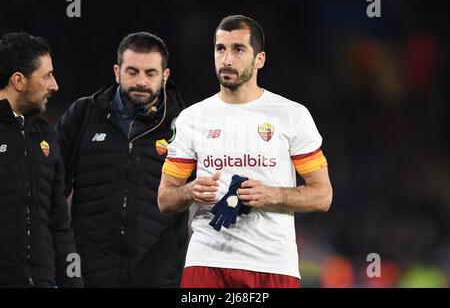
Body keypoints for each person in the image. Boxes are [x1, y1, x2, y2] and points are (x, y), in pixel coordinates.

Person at [158, 15, 333, 288]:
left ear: (260, 59)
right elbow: (165, 199)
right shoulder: (192, 118)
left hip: (272, 265)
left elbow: (322, 196)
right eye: (220, 49)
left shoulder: (292, 115)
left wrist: (273, 194)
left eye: (238, 49)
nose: (227, 59)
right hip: (207, 262)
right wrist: (190, 191)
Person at [56, 32, 188, 287]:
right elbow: (50, 189)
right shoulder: (83, 115)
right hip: (89, 275)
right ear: (117, 72)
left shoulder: (185, 126)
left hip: (157, 279)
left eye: (150, 73)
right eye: (132, 72)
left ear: (165, 76)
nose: (140, 81)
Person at [0, 32, 83, 287]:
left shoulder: (46, 135)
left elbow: (58, 222)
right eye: (46, 76)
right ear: (18, 81)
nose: (54, 85)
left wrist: (73, 283)